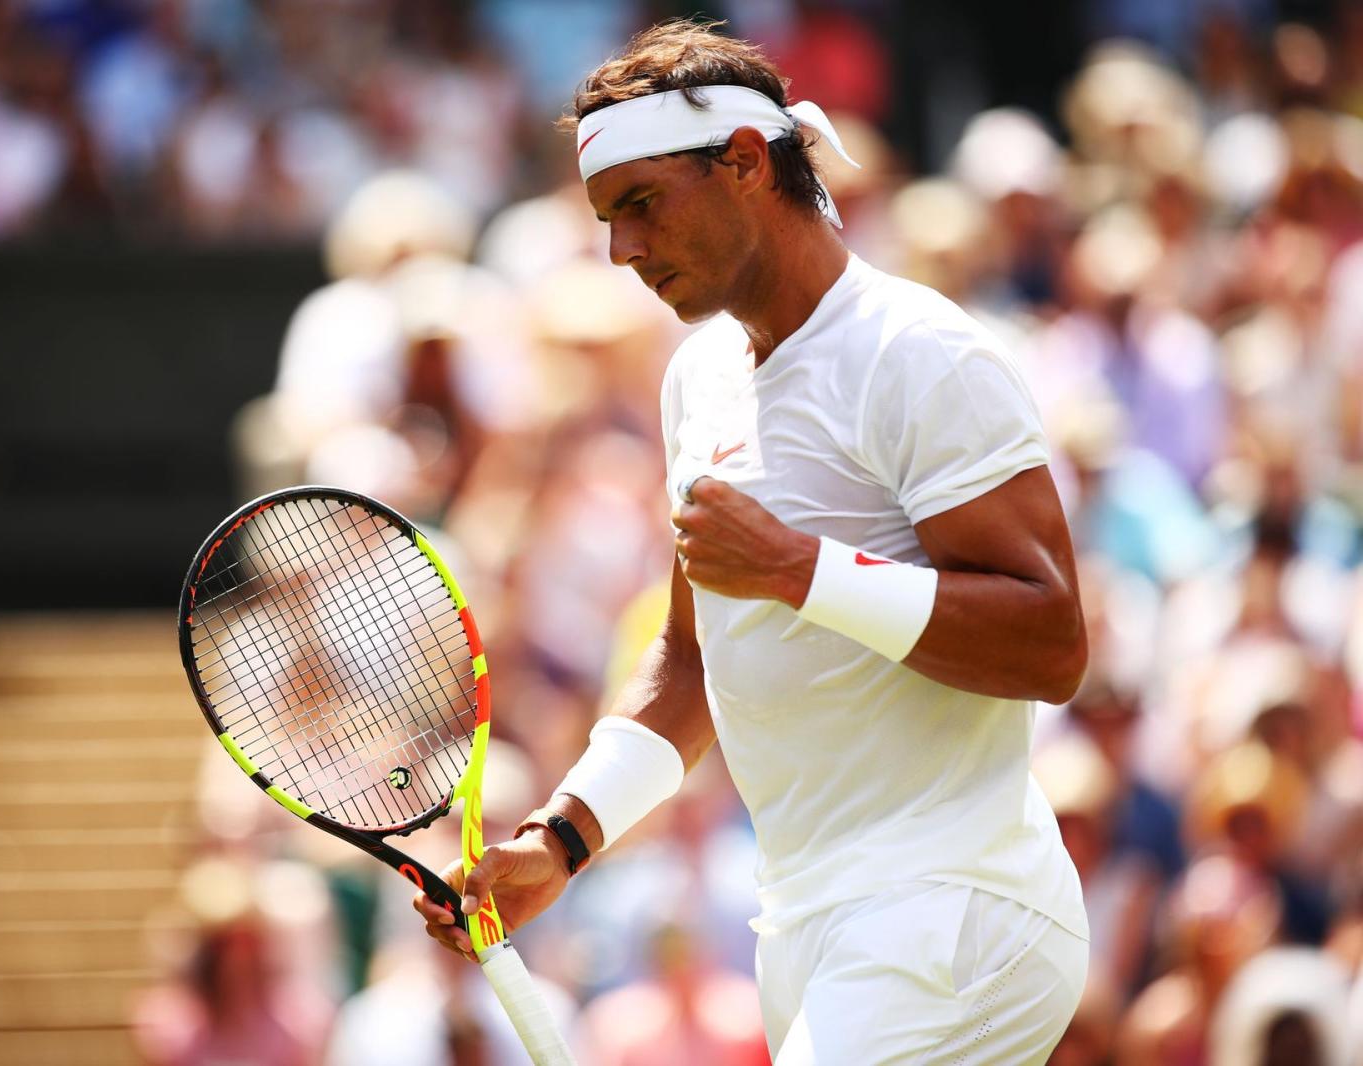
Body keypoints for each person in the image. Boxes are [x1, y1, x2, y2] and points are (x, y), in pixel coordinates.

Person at [414, 20, 1090, 1062]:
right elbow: (694, 657)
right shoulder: (699, 378)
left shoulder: (919, 353)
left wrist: (796, 568)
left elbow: (1049, 643)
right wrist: (562, 838)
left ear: (743, 164)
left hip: (957, 910)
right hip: (808, 926)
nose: (621, 251)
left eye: (641, 205)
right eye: (604, 218)